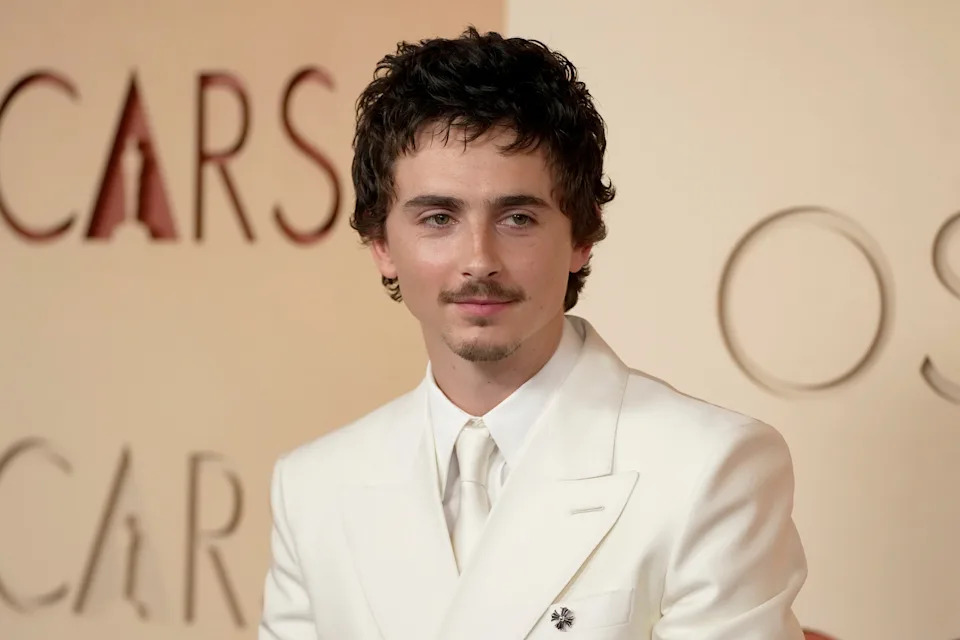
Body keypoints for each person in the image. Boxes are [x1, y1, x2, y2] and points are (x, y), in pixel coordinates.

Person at [259, 27, 806, 640]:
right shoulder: (314, 488)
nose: (479, 260)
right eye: (439, 218)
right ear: (382, 245)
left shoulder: (711, 467)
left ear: (580, 237)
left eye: (517, 218)